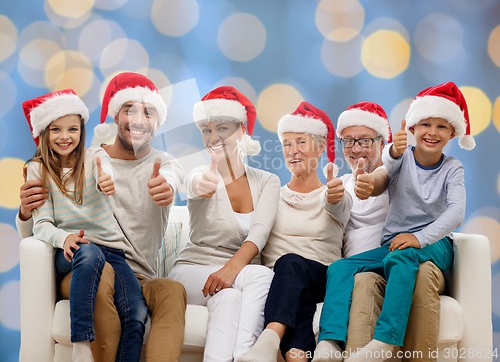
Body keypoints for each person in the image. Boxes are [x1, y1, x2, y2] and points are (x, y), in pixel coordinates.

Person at [17, 72, 187, 362]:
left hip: (136, 273)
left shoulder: (164, 164)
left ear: (158, 120)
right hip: (85, 266)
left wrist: (167, 186)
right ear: (114, 116)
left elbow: (173, 176)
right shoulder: (88, 159)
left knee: (172, 290)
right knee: (101, 271)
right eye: (129, 110)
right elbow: (38, 229)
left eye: (148, 112)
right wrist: (24, 212)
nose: (138, 120)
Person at [314, 82, 474, 362]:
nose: (432, 132)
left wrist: (419, 238)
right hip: (395, 246)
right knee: (341, 268)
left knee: (401, 257)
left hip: (434, 245)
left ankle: (386, 340)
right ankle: (329, 342)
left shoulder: (452, 168)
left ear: (452, 133)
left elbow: (456, 213)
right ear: (411, 128)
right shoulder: (400, 158)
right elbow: (382, 176)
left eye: (441, 126)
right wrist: (367, 184)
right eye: (425, 124)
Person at [22, 89, 148, 362]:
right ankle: (81, 345)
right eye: (56, 129)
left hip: (112, 252)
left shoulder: (94, 158)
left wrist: (108, 179)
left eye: (72, 129)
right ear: (44, 133)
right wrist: (64, 238)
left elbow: (107, 170)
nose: (65, 136)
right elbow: (41, 224)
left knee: (136, 313)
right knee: (89, 252)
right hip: (73, 250)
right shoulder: (37, 169)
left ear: (82, 130)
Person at [168, 86, 281, 362]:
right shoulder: (200, 173)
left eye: (222, 128)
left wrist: (229, 271)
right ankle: (248, 356)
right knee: (262, 276)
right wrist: (200, 184)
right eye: (206, 130)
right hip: (192, 272)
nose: (213, 137)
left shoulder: (267, 181)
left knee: (229, 299)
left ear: (241, 129)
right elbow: (193, 184)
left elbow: (260, 232)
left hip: (230, 280)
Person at [236, 101, 353, 362]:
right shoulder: (271, 194)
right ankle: (296, 357)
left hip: (321, 276)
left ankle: (270, 338)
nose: (293, 151)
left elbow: (339, 206)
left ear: (321, 147)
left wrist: (333, 195)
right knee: (292, 284)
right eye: (287, 144)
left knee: (289, 263)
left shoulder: (334, 192)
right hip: (280, 282)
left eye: (301, 142)